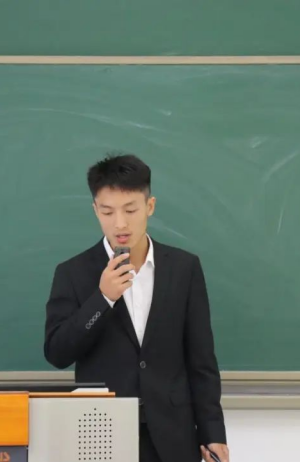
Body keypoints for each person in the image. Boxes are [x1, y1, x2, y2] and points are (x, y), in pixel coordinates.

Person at [44, 154, 229, 462]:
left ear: (150, 206)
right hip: (101, 434)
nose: (120, 223)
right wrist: (102, 299)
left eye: (130, 210)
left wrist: (213, 433)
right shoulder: (72, 273)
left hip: (174, 435)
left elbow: (202, 361)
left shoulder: (184, 268)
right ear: (95, 210)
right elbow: (57, 353)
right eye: (108, 211)